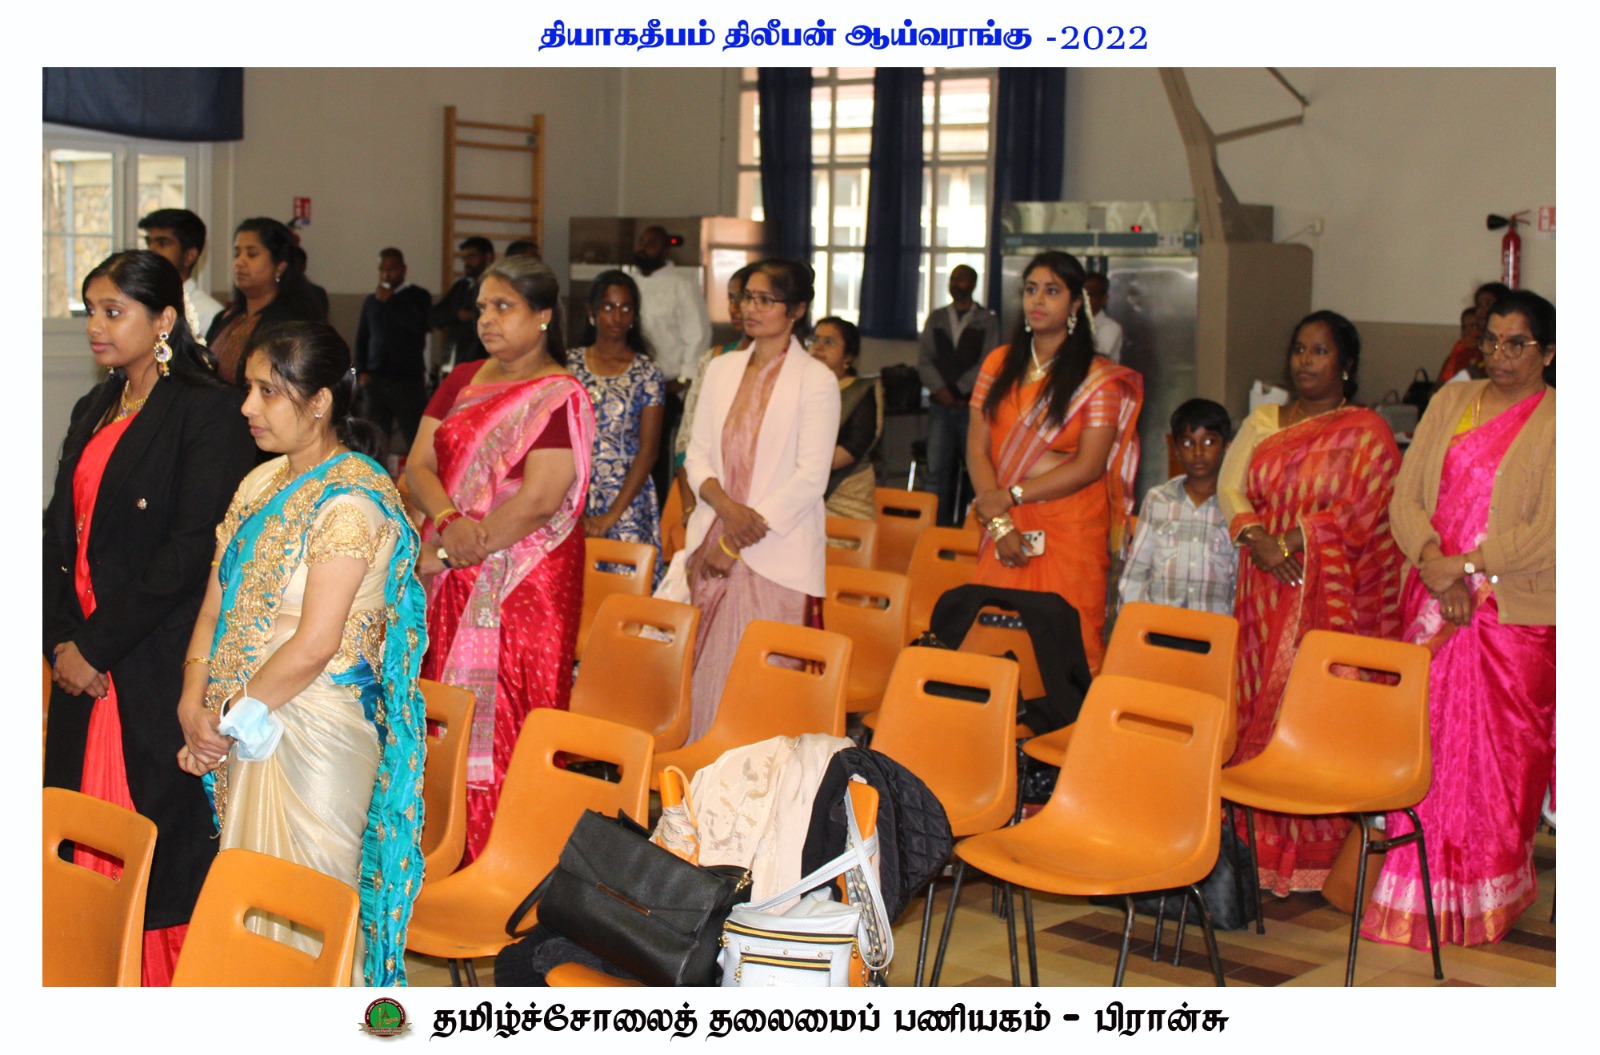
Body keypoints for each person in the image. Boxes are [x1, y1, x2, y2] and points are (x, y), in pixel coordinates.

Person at [175, 321, 426, 987]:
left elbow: (316, 644)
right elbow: (213, 608)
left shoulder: (352, 500)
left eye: (267, 391)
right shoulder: (259, 485)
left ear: (319, 402)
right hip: (245, 719)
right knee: (251, 912)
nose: (246, 407)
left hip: (317, 733)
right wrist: (192, 703)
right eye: (248, 389)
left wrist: (225, 719)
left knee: (310, 918)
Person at [43, 250, 255, 986]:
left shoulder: (206, 410)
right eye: (91, 311)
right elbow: (58, 535)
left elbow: (191, 550)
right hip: (84, 666)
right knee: (79, 835)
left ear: (164, 320)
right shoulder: (95, 405)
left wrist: (97, 646)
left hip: (151, 662)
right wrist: (60, 642)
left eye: (114, 311)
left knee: (161, 850)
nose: (95, 327)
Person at [1362, 290, 1556, 949]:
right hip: (1433, 603)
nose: (1500, 354)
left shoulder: (1565, 421)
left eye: (1517, 343)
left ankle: (1488, 894)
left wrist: (1468, 568)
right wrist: (1434, 564)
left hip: (1515, 615)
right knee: (1426, 749)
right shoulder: (1451, 402)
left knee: (1504, 763)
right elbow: (1407, 497)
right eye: (1491, 341)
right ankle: (1415, 892)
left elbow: (1552, 531)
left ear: (1547, 353)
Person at [405, 256, 594, 862]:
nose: (487, 319)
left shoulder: (558, 394)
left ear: (543, 316)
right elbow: (417, 466)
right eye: (484, 307)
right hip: (448, 563)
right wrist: (449, 523)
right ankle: (440, 847)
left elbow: (540, 501)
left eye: (504, 306)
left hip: (524, 581)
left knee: (515, 706)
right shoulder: (461, 379)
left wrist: (457, 549)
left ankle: (510, 856)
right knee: (442, 708)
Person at [1218, 309, 1403, 896]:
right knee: (1258, 711)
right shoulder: (1266, 422)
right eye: (1299, 349)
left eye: (1320, 351)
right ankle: (1253, 848)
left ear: (1346, 363)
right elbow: (1232, 487)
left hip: (1330, 593)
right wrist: (1259, 541)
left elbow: (1366, 509)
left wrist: (1291, 542)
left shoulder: (1367, 432)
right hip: (1262, 587)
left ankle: (1318, 855)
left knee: (1314, 715)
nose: (1306, 361)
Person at [682, 258, 839, 740]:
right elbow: (696, 455)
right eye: (747, 297)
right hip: (712, 535)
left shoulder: (816, 380)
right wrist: (726, 512)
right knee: (703, 680)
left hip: (775, 553)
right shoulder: (721, 368)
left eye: (765, 300)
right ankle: (698, 778)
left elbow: (810, 478)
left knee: (759, 692)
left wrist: (735, 540)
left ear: (797, 310)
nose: (751, 308)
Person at [966, 251, 1143, 674]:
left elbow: (1089, 466)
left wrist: (1009, 496)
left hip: (1070, 529)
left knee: (1067, 652)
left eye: (1052, 291)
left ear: (1076, 303)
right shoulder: (998, 364)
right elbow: (977, 448)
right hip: (1002, 525)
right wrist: (1000, 522)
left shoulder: (1096, 378)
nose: (1038, 300)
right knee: (994, 646)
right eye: (1031, 290)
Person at [570, 269, 666, 581]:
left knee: (625, 587)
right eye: (608, 307)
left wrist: (612, 515)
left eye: (626, 308)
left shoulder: (646, 372)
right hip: (572, 492)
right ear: (592, 312)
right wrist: (575, 507)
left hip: (628, 497)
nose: (617, 316)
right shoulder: (569, 366)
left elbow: (649, 450)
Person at [1118, 398, 1235, 615]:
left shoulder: (1235, 507)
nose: (1198, 452)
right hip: (1160, 624)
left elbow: (1240, 581)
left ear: (1227, 447)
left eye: (1209, 442)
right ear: (1176, 451)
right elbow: (1137, 571)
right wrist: (1138, 622)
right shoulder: (1158, 500)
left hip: (1213, 626)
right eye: (1188, 443)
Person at [627, 225, 712, 511]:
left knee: (654, 456)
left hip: (666, 386)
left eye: (651, 243)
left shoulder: (681, 284)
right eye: (641, 241)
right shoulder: (629, 283)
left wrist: (684, 380)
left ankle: (656, 512)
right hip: (629, 384)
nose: (643, 248)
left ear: (665, 248)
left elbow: (697, 335)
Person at [917, 264, 1001, 526]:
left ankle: (972, 530)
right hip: (940, 407)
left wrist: (957, 389)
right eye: (953, 279)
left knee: (978, 473)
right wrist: (941, 390)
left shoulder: (987, 320)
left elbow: (989, 362)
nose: (956, 284)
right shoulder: (937, 318)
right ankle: (933, 530)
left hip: (971, 407)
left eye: (962, 279)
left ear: (973, 284)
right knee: (936, 473)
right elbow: (924, 361)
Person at [674, 264, 755, 525]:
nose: (735, 308)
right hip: (708, 492)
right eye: (731, 299)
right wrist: (689, 504)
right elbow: (686, 440)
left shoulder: (793, 369)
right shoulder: (713, 359)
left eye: (743, 298)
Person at [204, 217, 326, 383]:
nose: (239, 262)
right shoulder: (226, 317)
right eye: (237, 254)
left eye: (251, 254)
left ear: (280, 267)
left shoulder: (291, 324)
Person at [355, 247, 432, 458]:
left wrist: (390, 302)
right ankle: (376, 477)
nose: (386, 274)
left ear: (403, 269)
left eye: (392, 269)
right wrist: (361, 371)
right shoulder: (372, 301)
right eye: (382, 269)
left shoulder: (418, 296)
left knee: (415, 439)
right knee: (374, 443)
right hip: (375, 382)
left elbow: (417, 327)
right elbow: (362, 337)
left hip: (407, 382)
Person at [809, 316, 882, 521]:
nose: (818, 347)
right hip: (800, 488)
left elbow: (854, 447)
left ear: (848, 356)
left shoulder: (859, 391)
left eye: (829, 342)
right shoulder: (798, 387)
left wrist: (805, 468)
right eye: (814, 340)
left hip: (846, 491)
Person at [138, 207, 223, 338]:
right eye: (149, 242)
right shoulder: (141, 304)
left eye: (162, 243)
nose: (151, 250)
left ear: (189, 256)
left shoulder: (210, 314)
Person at [430, 236, 495, 370]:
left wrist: (472, 317)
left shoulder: (497, 287)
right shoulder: (462, 286)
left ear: (488, 257)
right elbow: (434, 316)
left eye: (471, 256)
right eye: (464, 258)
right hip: (454, 357)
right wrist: (457, 315)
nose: (466, 262)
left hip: (482, 360)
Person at [1083, 271, 1125, 364]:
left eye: (1091, 294)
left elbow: (1096, 358)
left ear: (1104, 299)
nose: (1086, 299)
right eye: (1082, 295)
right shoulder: (1071, 323)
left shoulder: (1111, 327)